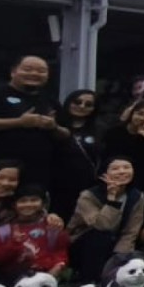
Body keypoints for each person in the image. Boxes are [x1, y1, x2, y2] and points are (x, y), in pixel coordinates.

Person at [0, 54, 65, 185]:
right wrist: (19, 122)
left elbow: (66, 134)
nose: (34, 73)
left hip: (34, 177)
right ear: (13, 72)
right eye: (28, 69)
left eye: (41, 71)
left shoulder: (50, 101)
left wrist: (54, 127)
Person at [65, 157, 144, 282]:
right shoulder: (88, 196)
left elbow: (131, 230)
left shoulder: (137, 196)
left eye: (126, 167)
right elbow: (102, 225)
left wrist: (120, 256)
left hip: (115, 243)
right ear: (104, 174)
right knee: (101, 236)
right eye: (115, 168)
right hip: (83, 243)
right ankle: (89, 280)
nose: (122, 171)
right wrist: (112, 200)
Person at [0, 183, 69, 282]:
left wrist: (57, 268)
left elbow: (60, 253)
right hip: (11, 281)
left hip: (46, 277)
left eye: (34, 200)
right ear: (14, 205)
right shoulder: (2, 231)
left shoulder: (52, 226)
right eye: (23, 201)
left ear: (43, 204)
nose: (28, 204)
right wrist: (14, 243)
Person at [53, 88, 103, 217]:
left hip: (87, 186)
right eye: (77, 102)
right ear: (69, 102)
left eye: (88, 104)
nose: (81, 106)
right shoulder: (55, 126)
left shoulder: (100, 129)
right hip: (56, 185)